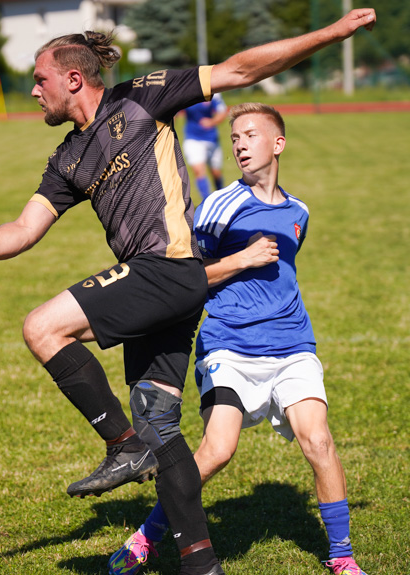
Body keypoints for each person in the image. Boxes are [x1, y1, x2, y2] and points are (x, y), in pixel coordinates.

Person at [0, 9, 375, 575]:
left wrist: (333, 34)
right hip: (168, 291)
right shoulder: (67, 158)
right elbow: (23, 230)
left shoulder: (140, 97)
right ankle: (199, 562)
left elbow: (241, 69)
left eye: (40, 79)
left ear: (73, 78)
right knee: (162, 431)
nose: (33, 91)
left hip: (166, 269)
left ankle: (120, 445)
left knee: (42, 327)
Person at [108, 103, 370, 575]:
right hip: (230, 345)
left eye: (250, 135)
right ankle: (146, 537)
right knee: (216, 451)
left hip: (293, 345)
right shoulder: (219, 207)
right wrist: (243, 259)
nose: (240, 144)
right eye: (235, 138)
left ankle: (341, 556)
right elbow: (188, 277)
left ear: (278, 143)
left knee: (319, 442)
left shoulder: (299, 212)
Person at [183, 93, 228, 201]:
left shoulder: (214, 93)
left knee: (216, 173)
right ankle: (206, 202)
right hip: (193, 139)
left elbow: (222, 112)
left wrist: (212, 122)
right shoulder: (187, 92)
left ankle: (221, 200)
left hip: (211, 139)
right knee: (199, 170)